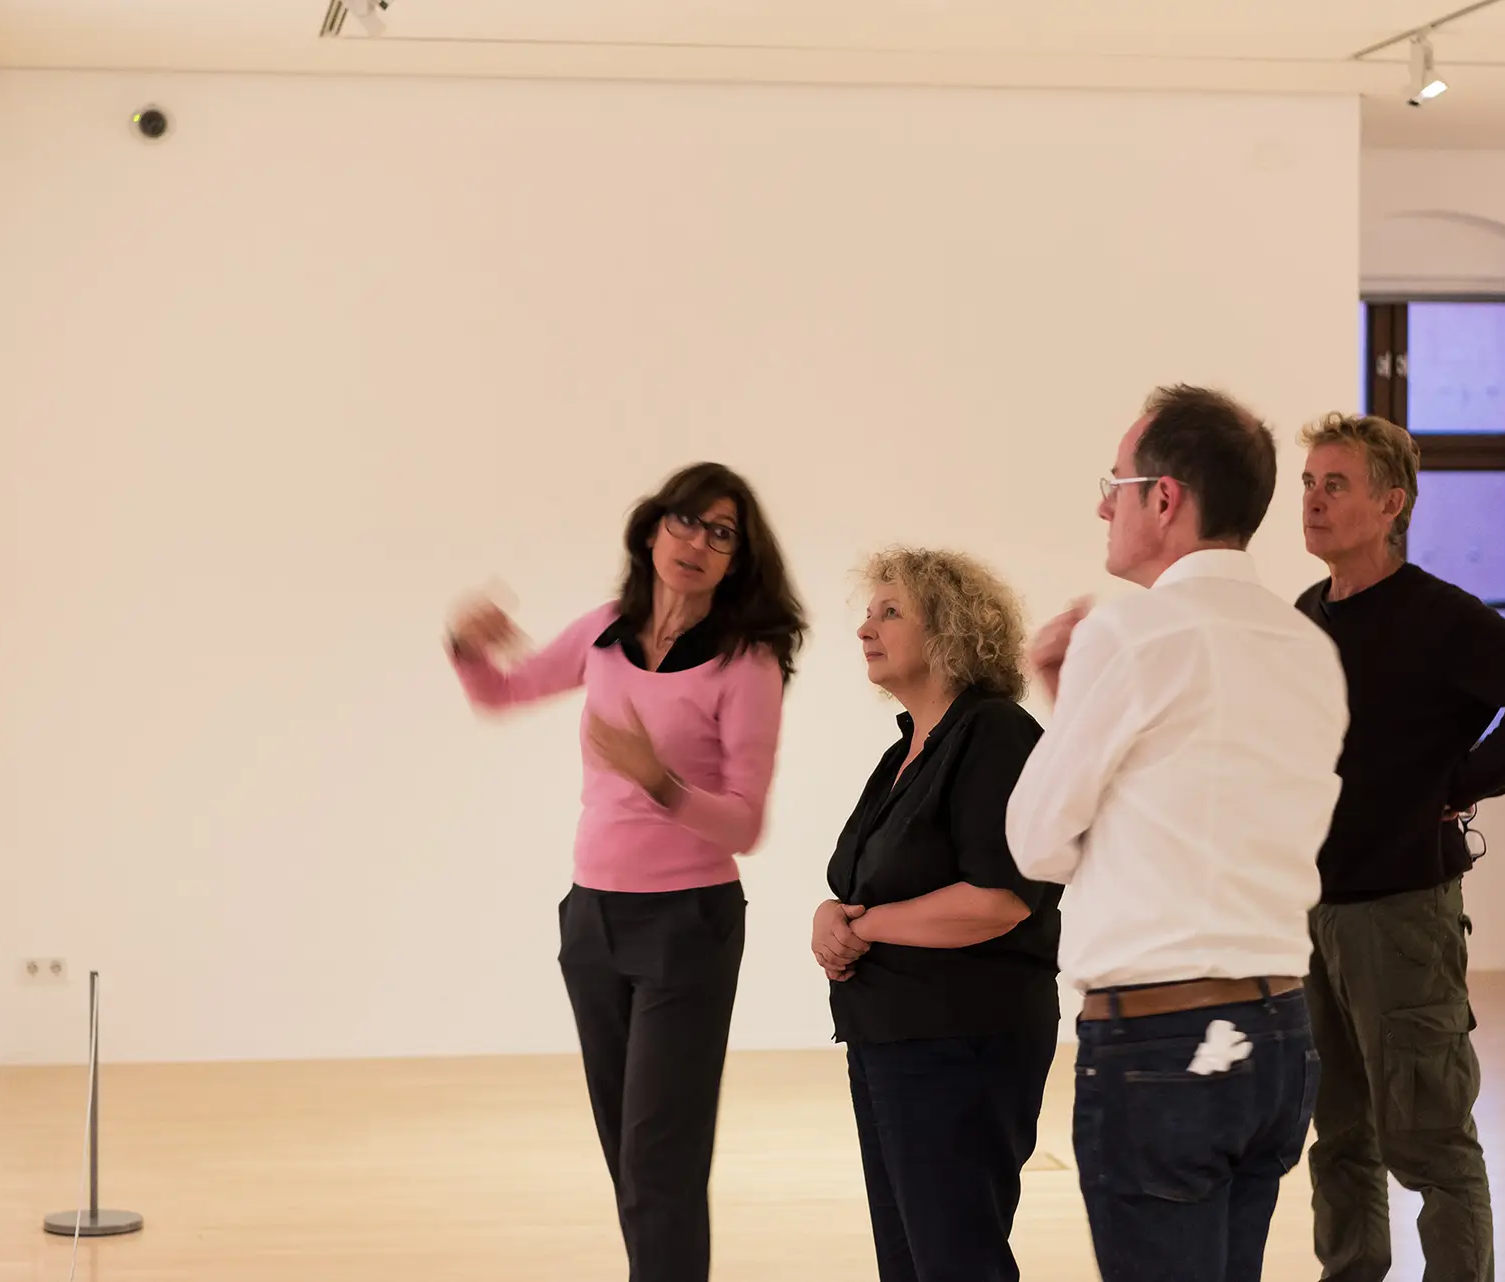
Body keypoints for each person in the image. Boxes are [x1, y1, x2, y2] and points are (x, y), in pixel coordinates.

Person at [1005, 385, 1349, 1282]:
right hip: (1278, 1035)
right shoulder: (1309, 648)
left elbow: (1036, 844)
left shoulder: (1131, 632)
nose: (1103, 507)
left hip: (1163, 1042)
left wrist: (1069, 704)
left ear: (1164, 498)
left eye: (1115, 484)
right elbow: (1198, 807)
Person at [446, 462, 806, 1282]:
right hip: (593, 921)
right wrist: (466, 642)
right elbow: (503, 691)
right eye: (686, 520)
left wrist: (659, 781)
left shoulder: (745, 665)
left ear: (736, 560)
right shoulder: (606, 631)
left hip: (688, 923)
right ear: (652, 530)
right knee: (629, 1156)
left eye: (722, 533)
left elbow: (746, 823)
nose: (697, 542)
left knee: (659, 1159)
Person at [1295, 414, 1505, 1282]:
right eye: (1309, 483)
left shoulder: (1436, 615)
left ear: (1391, 505)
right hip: (1311, 910)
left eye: (1335, 485)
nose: (1314, 501)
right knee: (1338, 1134)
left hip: (1401, 914)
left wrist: (1464, 783)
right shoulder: (1307, 614)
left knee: (1428, 1138)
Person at [814, 547, 1062, 1282]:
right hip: (889, 1041)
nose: (867, 628)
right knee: (911, 1265)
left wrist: (862, 928)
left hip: (961, 1043)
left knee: (955, 1262)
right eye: (868, 613)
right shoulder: (907, 752)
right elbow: (865, 884)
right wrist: (830, 914)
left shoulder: (995, 735)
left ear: (952, 630)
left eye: (891, 612)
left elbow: (999, 900)